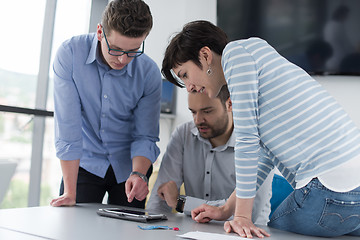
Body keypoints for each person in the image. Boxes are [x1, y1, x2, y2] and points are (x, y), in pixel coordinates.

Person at [161, 20, 360, 238]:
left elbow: (247, 141)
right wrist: (227, 209)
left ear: (206, 55)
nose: (189, 87)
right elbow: (265, 155)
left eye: (184, 74)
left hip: (328, 187)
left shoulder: (234, 56)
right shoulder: (255, 54)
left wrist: (242, 218)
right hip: (353, 190)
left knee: (271, 233)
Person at [50, 0, 162, 209]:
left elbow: (145, 135)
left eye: (133, 51)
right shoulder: (70, 54)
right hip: (84, 161)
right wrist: (69, 192)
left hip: (131, 166)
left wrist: (139, 174)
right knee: (74, 226)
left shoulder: (148, 73)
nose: (122, 59)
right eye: (116, 49)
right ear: (100, 32)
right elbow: (68, 127)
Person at [146, 85, 274, 226]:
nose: (198, 120)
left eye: (207, 111)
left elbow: (246, 214)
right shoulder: (183, 135)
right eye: (193, 112)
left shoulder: (256, 142)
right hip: (192, 231)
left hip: (245, 234)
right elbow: (158, 203)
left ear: (230, 104)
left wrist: (181, 203)